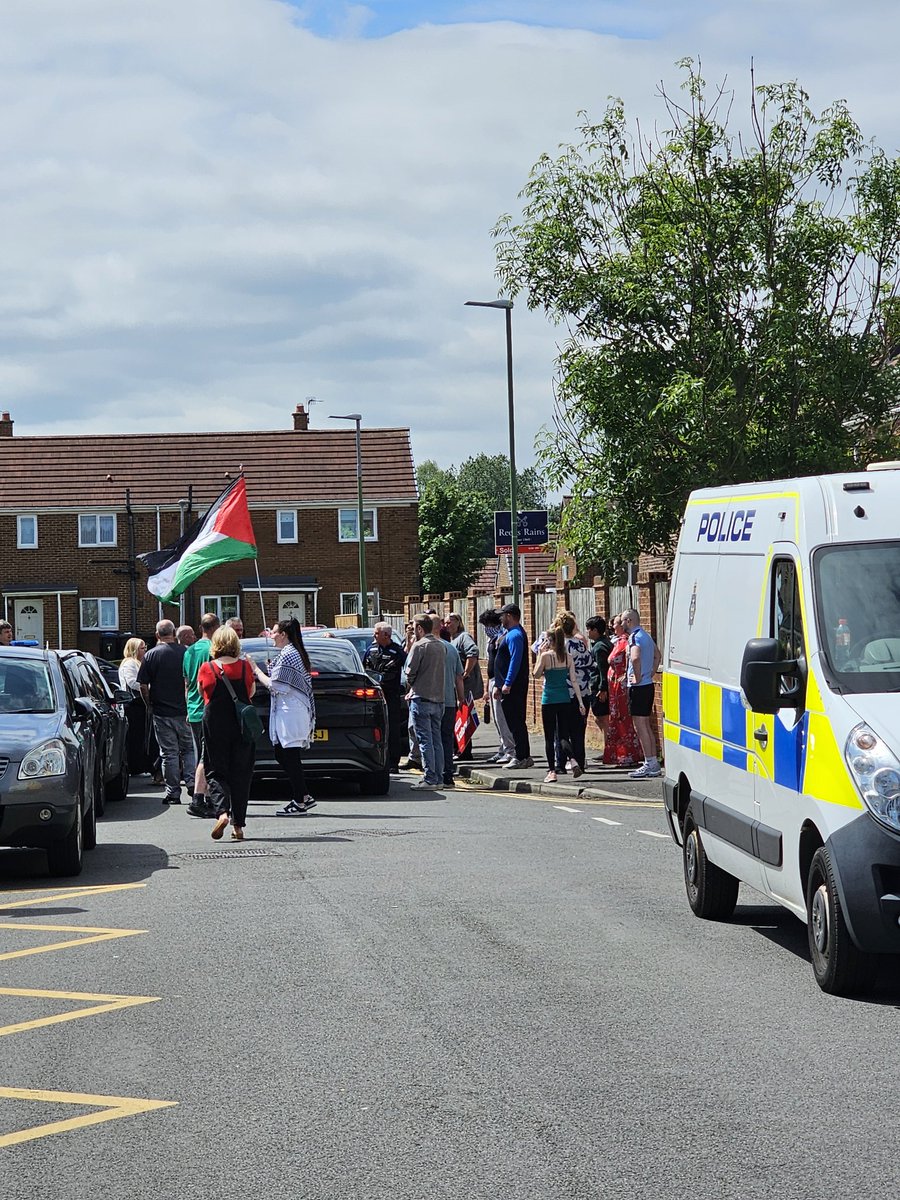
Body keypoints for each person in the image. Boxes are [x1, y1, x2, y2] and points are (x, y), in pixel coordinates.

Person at [250, 618, 317, 816]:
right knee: (282, 753)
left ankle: (299, 801)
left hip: (291, 711)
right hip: (289, 710)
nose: (271, 635)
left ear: (284, 635)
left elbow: (276, 685)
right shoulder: (290, 653)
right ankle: (303, 795)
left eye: (274, 632)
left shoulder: (289, 654)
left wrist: (255, 669)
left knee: (290, 755)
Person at [197, 626, 257, 841]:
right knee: (241, 773)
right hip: (241, 726)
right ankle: (238, 826)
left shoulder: (207, 667)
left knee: (215, 770)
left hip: (215, 724)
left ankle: (222, 813)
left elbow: (202, 692)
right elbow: (250, 693)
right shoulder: (244, 667)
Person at [138, 619, 196, 805]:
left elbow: (143, 685)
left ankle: (173, 792)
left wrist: (149, 704)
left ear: (157, 635)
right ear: (173, 633)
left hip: (162, 712)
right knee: (188, 749)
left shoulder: (151, 655)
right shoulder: (186, 653)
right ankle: (192, 782)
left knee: (169, 753)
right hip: (184, 710)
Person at [533, 626, 586, 783]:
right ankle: (573, 759)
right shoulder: (568, 657)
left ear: (550, 640)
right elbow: (574, 681)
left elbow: (535, 675)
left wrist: (539, 655)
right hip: (564, 698)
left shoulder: (546, 656)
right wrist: (580, 702)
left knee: (550, 737)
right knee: (563, 735)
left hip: (549, 699)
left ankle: (551, 771)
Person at [182, 613, 220, 818]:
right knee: (208, 757)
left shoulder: (189, 651)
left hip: (194, 709)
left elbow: (187, 683)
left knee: (201, 754)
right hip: (208, 708)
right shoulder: (213, 650)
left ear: (200, 628)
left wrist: (188, 708)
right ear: (217, 627)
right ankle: (199, 799)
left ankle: (205, 798)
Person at [404, 614, 447, 790]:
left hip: (421, 698)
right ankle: (438, 777)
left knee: (424, 740)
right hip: (439, 699)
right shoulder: (441, 646)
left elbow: (409, 672)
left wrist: (413, 684)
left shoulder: (419, 646)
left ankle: (429, 778)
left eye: (414, 627)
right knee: (437, 740)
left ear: (420, 629)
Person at [622, 607, 662, 779]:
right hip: (648, 685)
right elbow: (657, 655)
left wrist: (636, 677)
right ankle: (653, 763)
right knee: (645, 725)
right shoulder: (645, 635)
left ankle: (649, 763)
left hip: (638, 687)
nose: (622, 623)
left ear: (629, 621)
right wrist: (651, 672)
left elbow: (636, 657)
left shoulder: (634, 637)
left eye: (623, 620)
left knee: (640, 726)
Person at [364, 623, 407, 773]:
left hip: (391, 695)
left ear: (386, 636)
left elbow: (408, 671)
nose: (374, 636)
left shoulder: (398, 652)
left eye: (376, 633)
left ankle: (393, 762)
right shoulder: (371, 650)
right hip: (374, 696)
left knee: (393, 729)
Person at [494, 603, 533, 769]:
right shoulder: (510, 633)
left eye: (502, 615)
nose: (500, 618)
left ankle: (522, 756)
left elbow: (515, 661)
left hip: (514, 687)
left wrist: (507, 683)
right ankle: (521, 755)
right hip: (507, 686)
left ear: (509, 616)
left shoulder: (515, 635)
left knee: (516, 722)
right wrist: (499, 684)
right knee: (513, 721)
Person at [602, 614, 642, 769]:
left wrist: (626, 675)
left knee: (623, 720)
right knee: (616, 720)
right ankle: (620, 755)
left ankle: (628, 755)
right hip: (614, 688)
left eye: (617, 623)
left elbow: (633, 660)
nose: (613, 626)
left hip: (622, 688)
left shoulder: (627, 641)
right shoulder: (618, 641)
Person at [555, 611, 593, 775]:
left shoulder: (558, 647)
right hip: (583, 694)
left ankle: (560, 764)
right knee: (578, 732)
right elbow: (591, 665)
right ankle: (580, 763)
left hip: (563, 694)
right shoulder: (580, 644)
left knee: (561, 732)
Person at [118, 637, 160, 778]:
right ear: (134, 649)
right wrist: (149, 686)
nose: (145, 650)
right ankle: (135, 766)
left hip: (140, 704)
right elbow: (132, 682)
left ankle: (142, 765)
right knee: (136, 736)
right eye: (142, 648)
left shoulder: (140, 662)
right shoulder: (129, 663)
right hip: (133, 705)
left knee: (142, 736)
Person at [479, 609, 515, 764]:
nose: (486, 629)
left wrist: (500, 684)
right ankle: (502, 748)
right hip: (493, 681)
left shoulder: (502, 638)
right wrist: (488, 686)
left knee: (502, 719)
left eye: (488, 625)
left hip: (499, 682)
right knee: (496, 719)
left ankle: (510, 751)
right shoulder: (492, 640)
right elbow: (491, 664)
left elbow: (504, 664)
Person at [585, 616, 613, 758]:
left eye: (589, 629)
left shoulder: (600, 647)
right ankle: (607, 747)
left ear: (595, 630)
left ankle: (609, 750)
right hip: (598, 686)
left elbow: (603, 669)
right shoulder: (602, 643)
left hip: (599, 687)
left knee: (603, 718)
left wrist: (603, 689)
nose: (587, 632)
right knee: (599, 717)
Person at [440, 636, 465, 787]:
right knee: (447, 739)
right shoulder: (451, 648)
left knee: (431, 739)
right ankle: (447, 775)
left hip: (430, 700)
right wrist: (460, 698)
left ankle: (434, 775)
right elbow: (459, 677)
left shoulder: (422, 647)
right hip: (449, 701)